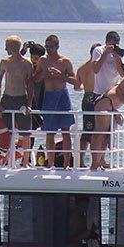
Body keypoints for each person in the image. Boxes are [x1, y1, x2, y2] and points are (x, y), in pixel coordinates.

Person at [34, 34, 78, 167]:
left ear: (57, 46)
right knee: (50, 132)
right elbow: (35, 79)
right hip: (49, 96)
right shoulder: (42, 61)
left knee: (65, 131)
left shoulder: (65, 61)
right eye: (47, 46)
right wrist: (43, 74)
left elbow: (75, 81)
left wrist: (61, 75)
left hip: (62, 97)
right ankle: (50, 162)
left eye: (51, 47)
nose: (48, 49)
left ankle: (66, 162)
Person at [0, 35, 33, 167]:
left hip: (21, 99)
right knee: (7, 132)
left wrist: (29, 104)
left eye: (7, 46)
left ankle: (25, 162)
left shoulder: (27, 64)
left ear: (13, 47)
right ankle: (6, 160)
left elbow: (30, 84)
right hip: (7, 99)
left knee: (25, 133)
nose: (5, 49)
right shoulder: (4, 62)